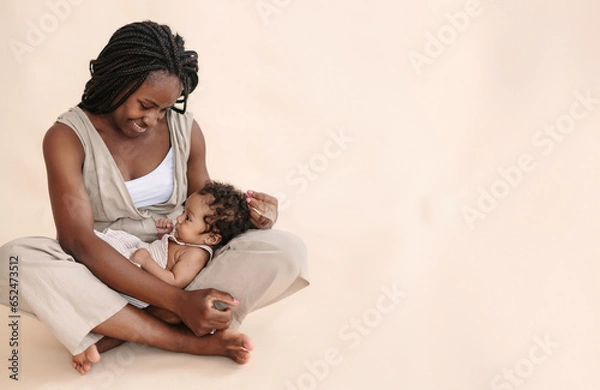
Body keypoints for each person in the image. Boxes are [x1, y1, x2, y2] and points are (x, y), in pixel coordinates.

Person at [0, 20, 309, 375]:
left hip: (181, 261)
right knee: (13, 261)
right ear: (118, 81)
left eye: (163, 109)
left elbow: (207, 212)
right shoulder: (67, 137)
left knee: (285, 249)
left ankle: (124, 326)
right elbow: (78, 241)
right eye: (145, 104)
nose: (153, 119)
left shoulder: (185, 130)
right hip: (107, 267)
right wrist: (179, 300)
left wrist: (249, 216)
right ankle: (182, 336)